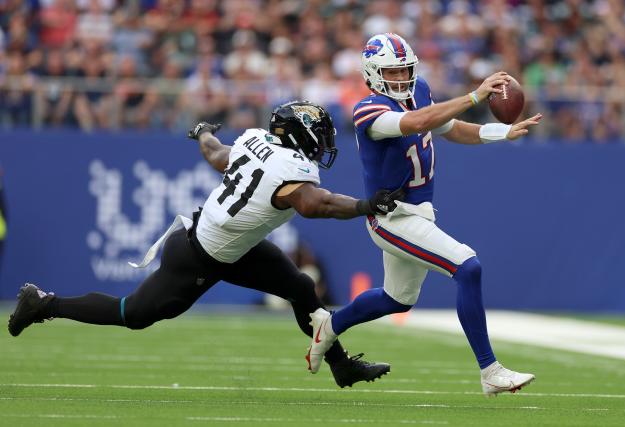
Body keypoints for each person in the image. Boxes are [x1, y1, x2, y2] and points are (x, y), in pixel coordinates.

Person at [7, 100, 404, 388]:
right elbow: (318, 205)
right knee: (134, 313)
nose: (322, 144)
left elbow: (217, 155)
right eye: (318, 136)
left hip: (234, 246)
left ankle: (341, 366)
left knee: (301, 288)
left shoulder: (255, 142)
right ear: (299, 136)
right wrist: (367, 205)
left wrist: (204, 131)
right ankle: (44, 303)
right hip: (198, 256)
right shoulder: (291, 169)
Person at [306, 33, 542, 396]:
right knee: (468, 266)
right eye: (392, 73)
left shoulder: (421, 91)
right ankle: (490, 371)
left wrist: (500, 132)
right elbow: (416, 123)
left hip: (419, 213)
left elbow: (451, 129)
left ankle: (329, 324)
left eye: (405, 71)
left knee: (396, 298)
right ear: (372, 73)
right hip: (391, 218)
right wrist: (475, 96)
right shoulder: (366, 109)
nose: (401, 80)